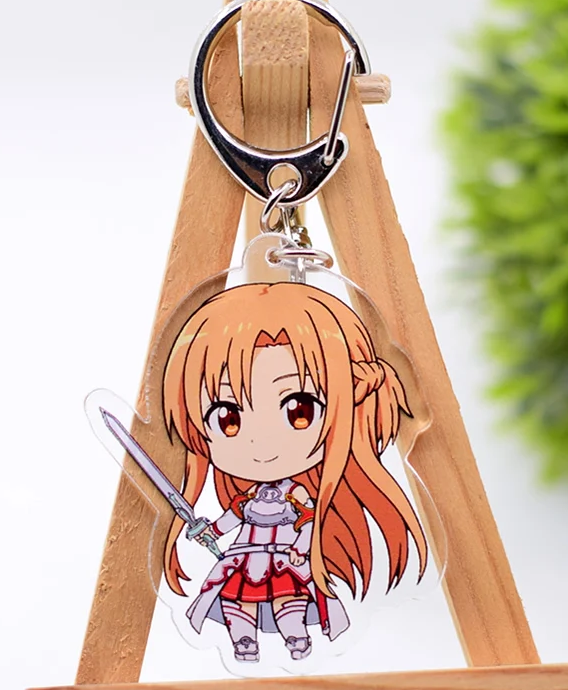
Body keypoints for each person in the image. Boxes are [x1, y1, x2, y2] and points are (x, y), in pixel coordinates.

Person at [161, 282, 427, 662]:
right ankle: (244, 642)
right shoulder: (247, 499)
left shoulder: (297, 495)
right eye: (227, 417)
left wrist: (302, 551)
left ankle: (297, 640)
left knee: (288, 603)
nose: (261, 444)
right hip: (244, 558)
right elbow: (229, 520)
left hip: (284, 560)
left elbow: (308, 522)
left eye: (299, 411)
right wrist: (208, 531)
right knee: (237, 604)